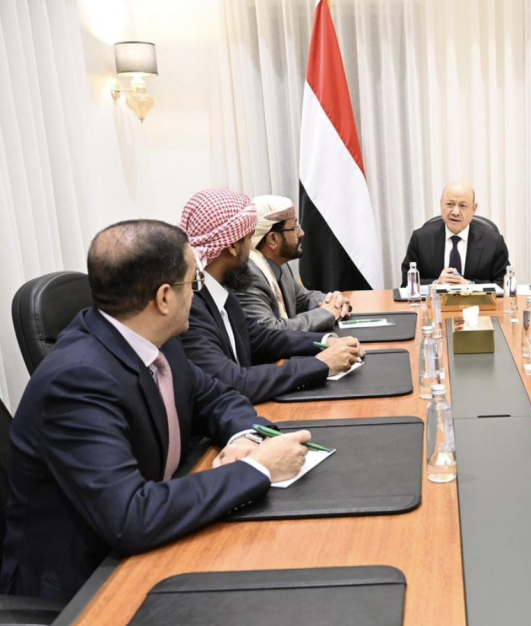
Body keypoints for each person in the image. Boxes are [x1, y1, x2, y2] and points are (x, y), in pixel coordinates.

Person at [0, 220, 313, 602]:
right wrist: (258, 468)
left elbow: (217, 398)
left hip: (153, 543)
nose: (197, 294)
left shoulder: (153, 338)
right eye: (193, 283)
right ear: (164, 298)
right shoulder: (77, 380)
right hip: (88, 588)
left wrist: (243, 439)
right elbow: (131, 516)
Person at [177, 189, 363, 403]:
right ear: (233, 246)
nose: (252, 248)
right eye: (249, 238)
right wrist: (321, 364)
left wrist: (325, 341)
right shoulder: (191, 307)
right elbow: (234, 382)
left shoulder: (220, 292)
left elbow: (261, 338)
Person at [236, 195, 352, 332]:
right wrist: (326, 313)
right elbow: (272, 330)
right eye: (294, 228)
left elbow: (303, 298)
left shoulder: (279, 265)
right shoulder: (248, 275)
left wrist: (334, 302)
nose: (301, 233)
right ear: (273, 239)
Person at [400, 181, 510, 286]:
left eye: (463, 206)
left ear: (474, 208)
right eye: (450, 204)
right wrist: (435, 284)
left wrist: (470, 286)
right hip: (435, 300)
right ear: (441, 204)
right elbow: (407, 283)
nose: (455, 212)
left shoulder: (493, 242)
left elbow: (503, 284)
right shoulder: (420, 239)